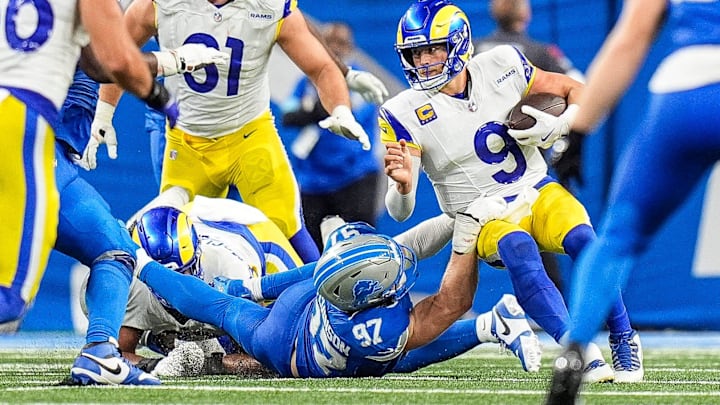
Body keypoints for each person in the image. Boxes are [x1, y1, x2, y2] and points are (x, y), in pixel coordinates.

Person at [381, 0, 641, 383]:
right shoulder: (402, 111)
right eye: (415, 52)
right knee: (518, 249)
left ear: (457, 43)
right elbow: (399, 211)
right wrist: (403, 186)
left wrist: (561, 125)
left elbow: (577, 91)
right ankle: (578, 349)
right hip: (481, 213)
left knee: (585, 239)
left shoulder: (502, 64)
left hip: (535, 189)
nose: (423, 60)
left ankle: (624, 337)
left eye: (432, 48)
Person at [87, 0, 386, 264]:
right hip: (188, 141)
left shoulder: (269, 6)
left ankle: (324, 307)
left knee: (287, 229)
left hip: (250, 136)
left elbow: (320, 65)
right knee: (174, 237)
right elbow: (118, 54)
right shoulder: (160, 4)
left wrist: (340, 107)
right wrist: (105, 109)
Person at [132, 200, 543, 378]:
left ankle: (143, 263)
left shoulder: (347, 281)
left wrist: (461, 217)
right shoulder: (377, 328)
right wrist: (467, 233)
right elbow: (453, 302)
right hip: (281, 346)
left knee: (220, 305)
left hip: (299, 310)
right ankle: (490, 325)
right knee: (393, 362)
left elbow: (319, 274)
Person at [546, 1, 720, 402]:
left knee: (618, 237)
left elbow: (631, 37)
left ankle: (573, 355)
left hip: (685, 92)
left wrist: (579, 130)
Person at [0, 0, 182, 385]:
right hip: (26, 137)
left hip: (44, 150)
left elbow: (93, 62)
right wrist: (168, 77)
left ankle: (101, 351)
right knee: (11, 298)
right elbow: (112, 60)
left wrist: (99, 117)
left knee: (113, 249)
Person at [107, 197, 303, 376]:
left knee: (294, 339)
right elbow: (114, 355)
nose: (178, 284)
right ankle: (166, 336)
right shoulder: (134, 284)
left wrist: (209, 365)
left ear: (198, 256)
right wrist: (157, 365)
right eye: (165, 276)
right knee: (168, 339)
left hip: (255, 235)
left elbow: (269, 359)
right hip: (193, 221)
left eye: (186, 271)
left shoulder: (229, 269)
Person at [473, 0, 586, 290]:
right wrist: (568, 141)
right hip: (531, 165)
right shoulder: (540, 52)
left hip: (475, 168)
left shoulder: (471, 50)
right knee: (556, 232)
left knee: (472, 238)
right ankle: (566, 308)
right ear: (526, 13)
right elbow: (580, 88)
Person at [281, 22, 383, 249]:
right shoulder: (306, 82)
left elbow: (344, 112)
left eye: (341, 43)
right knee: (312, 250)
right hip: (313, 179)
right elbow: (288, 115)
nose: (335, 49)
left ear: (351, 48)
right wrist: (313, 108)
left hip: (354, 175)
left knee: (361, 245)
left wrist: (312, 108)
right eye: (329, 43)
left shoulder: (359, 81)